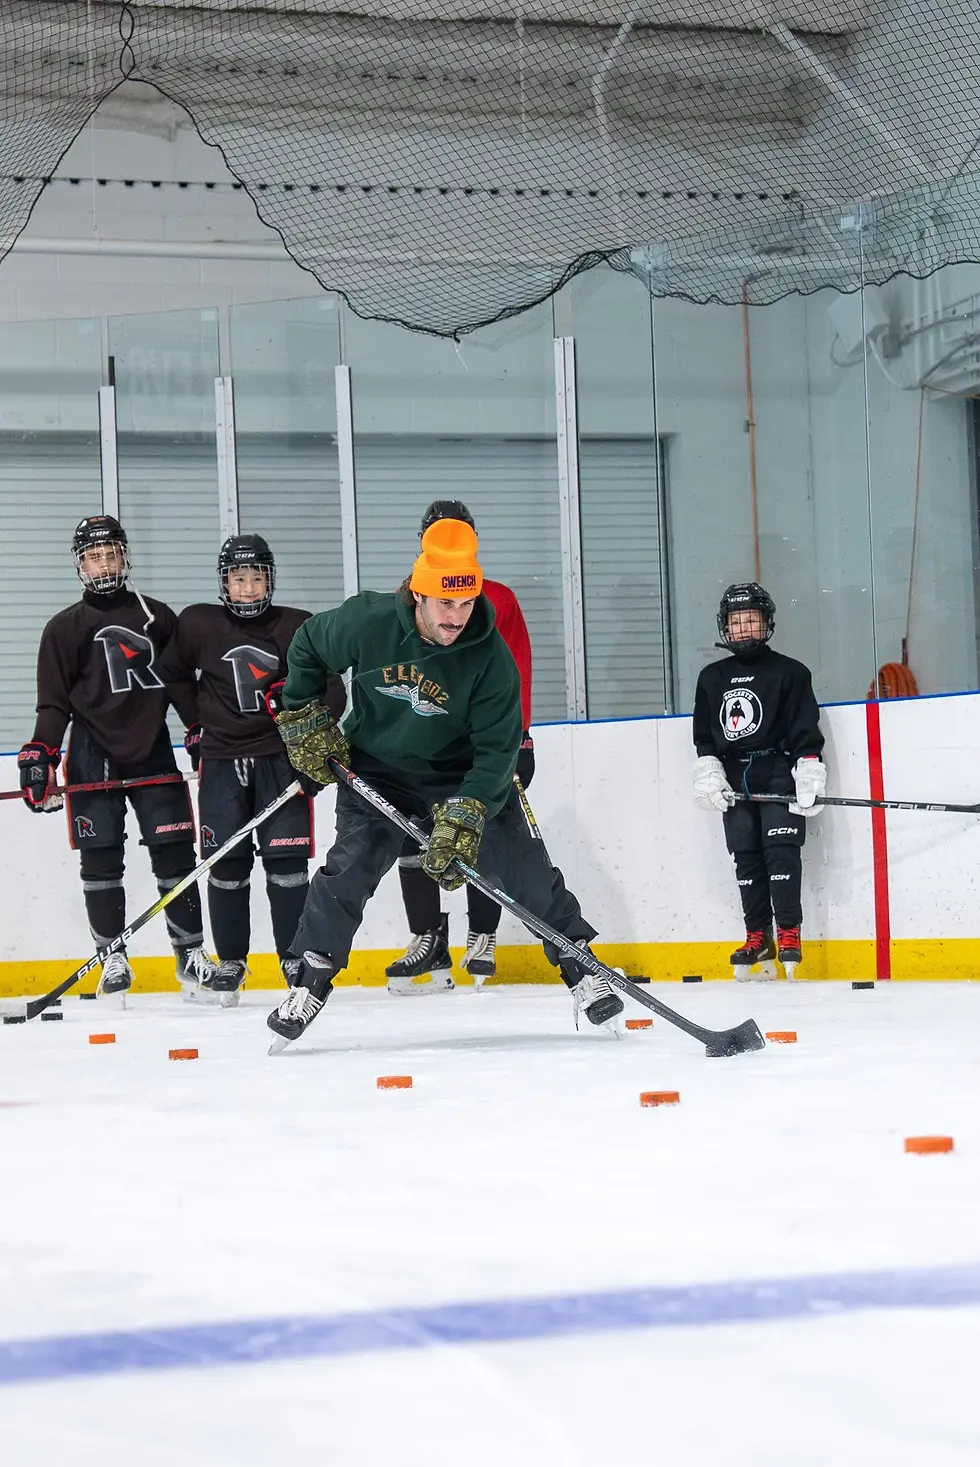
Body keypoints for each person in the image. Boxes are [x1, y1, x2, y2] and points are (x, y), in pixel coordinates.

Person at [264, 516, 624, 1045]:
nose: (457, 617)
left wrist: (470, 809)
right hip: (378, 769)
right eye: (445, 604)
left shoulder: (491, 659)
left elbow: (498, 750)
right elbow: (307, 649)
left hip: (462, 773)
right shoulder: (367, 623)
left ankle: (582, 968)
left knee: (523, 868)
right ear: (418, 595)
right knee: (349, 867)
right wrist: (302, 716)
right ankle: (310, 979)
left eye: (466, 603)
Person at [18, 515, 216, 998]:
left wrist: (198, 731)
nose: (103, 563)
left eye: (110, 554)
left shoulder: (158, 617)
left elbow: (180, 687)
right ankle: (112, 957)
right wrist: (40, 752)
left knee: (174, 854)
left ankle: (190, 954)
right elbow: (53, 704)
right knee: (101, 860)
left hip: (151, 751)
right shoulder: (63, 629)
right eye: (92, 556)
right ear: (79, 566)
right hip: (92, 755)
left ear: (125, 557)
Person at [158, 534, 346, 1005]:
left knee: (287, 864)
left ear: (270, 580)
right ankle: (232, 961)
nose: (247, 589)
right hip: (222, 762)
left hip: (278, 761)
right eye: (238, 578)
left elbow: (333, 688)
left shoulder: (296, 627)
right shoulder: (198, 624)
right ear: (224, 582)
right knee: (226, 862)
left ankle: (292, 956)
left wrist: (311, 737)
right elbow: (174, 673)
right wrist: (195, 723)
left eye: (256, 578)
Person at [385, 499, 535, 994]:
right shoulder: (407, 600)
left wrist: (521, 737)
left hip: (483, 742)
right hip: (424, 743)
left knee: (479, 830)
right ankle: (427, 937)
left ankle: (482, 935)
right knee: (415, 835)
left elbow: (517, 674)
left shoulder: (497, 600)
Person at [691, 582, 826, 980]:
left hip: (777, 772)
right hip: (735, 777)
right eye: (737, 622)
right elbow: (704, 735)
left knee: (781, 852)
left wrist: (809, 768)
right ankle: (757, 935)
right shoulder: (711, 677)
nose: (745, 629)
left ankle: (788, 932)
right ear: (725, 627)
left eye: (752, 620)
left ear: (766, 624)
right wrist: (710, 769)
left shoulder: (791, 672)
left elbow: (804, 728)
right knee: (746, 855)